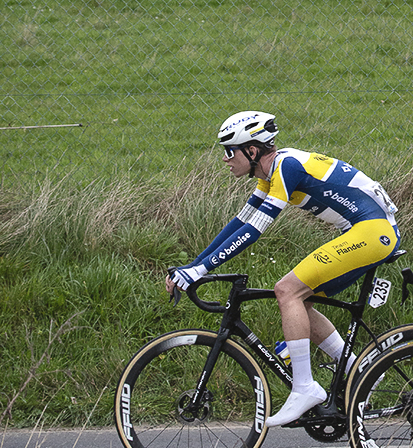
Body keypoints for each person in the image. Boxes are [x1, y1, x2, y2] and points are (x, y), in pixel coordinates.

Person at [166, 110, 400, 426]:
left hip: (373, 232)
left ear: (252, 150)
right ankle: (360, 375)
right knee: (300, 301)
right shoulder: (271, 173)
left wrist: (199, 271)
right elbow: (239, 223)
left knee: (286, 290)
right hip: (371, 232)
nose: (225, 159)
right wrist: (194, 266)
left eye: (228, 150)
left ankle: (305, 388)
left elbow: (255, 230)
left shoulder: (286, 167)